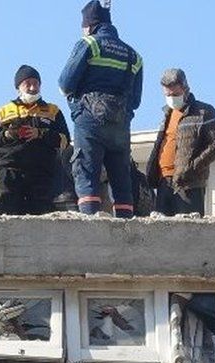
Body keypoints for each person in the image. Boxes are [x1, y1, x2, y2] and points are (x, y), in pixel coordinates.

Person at [59, 0, 143, 218]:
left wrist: (77, 109)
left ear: (89, 25)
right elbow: (135, 100)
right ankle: (125, 223)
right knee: (121, 178)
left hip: (90, 121)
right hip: (120, 123)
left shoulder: (89, 44)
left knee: (86, 172)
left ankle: (90, 221)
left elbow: (65, 83)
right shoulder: (133, 55)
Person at [0, 65, 69, 215]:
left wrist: (40, 133)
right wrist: (8, 135)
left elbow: (64, 141)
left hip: (42, 174)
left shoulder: (53, 111)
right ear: (18, 87)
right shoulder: (4, 111)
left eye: (36, 83)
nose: (32, 88)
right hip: (10, 173)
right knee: (9, 216)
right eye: (28, 84)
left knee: (42, 218)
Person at [145, 68, 215, 216]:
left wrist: (192, 167)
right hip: (164, 183)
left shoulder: (204, 111)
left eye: (175, 94)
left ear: (185, 89)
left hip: (189, 185)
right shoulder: (167, 114)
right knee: (162, 232)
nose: (172, 98)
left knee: (188, 231)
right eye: (167, 95)